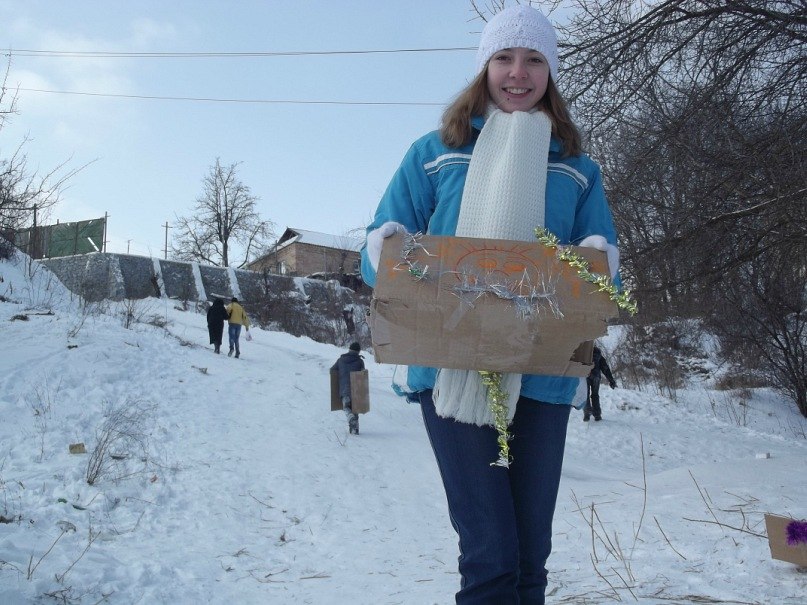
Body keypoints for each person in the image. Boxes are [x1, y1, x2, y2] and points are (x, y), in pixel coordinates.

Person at [360, 5, 620, 603]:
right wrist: (391, 248)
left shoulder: (577, 168)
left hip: (544, 378)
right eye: (504, 57)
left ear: (551, 73)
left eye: (534, 60)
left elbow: (606, 277)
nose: (518, 73)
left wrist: (592, 263)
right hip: (451, 372)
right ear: (484, 67)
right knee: (491, 555)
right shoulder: (435, 151)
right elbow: (375, 261)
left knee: (531, 557)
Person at [330, 342, 365, 435]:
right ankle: (354, 430)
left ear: (349, 349)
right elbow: (363, 375)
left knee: (346, 407)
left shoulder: (341, 360)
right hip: (356, 390)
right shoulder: (360, 361)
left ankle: (350, 418)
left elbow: (332, 370)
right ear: (358, 351)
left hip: (344, 390)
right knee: (355, 409)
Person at [583, 346, 616, 422]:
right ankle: (597, 415)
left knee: (585, 394)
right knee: (595, 395)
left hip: (585, 375)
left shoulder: (583, 353)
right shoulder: (598, 354)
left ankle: (587, 414)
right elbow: (605, 368)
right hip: (596, 376)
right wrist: (611, 380)